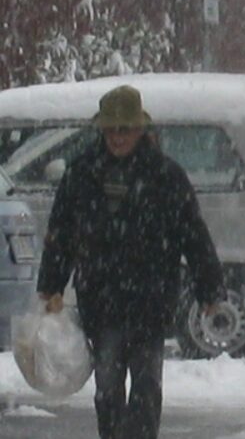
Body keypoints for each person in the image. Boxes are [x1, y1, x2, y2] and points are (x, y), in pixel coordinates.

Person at [36, 84, 225, 439]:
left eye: (125, 129)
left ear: (140, 130)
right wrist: (50, 287)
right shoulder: (81, 174)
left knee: (146, 384)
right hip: (101, 300)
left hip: (151, 301)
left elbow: (193, 236)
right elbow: (60, 235)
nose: (117, 137)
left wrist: (210, 290)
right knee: (107, 384)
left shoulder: (166, 177)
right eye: (111, 129)